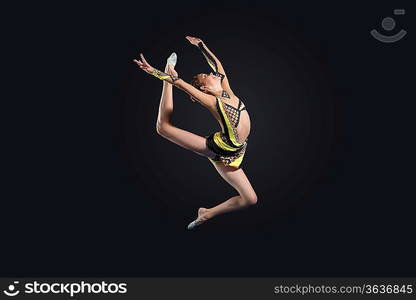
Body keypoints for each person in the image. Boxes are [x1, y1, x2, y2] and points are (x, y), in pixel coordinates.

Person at [133, 36, 258, 229]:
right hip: (220, 149)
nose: (211, 73)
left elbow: (216, 64)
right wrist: (157, 73)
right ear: (206, 88)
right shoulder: (213, 101)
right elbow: (180, 83)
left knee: (250, 199)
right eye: (206, 76)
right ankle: (167, 74)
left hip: (237, 152)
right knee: (163, 128)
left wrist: (201, 45)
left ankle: (207, 213)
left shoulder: (227, 91)